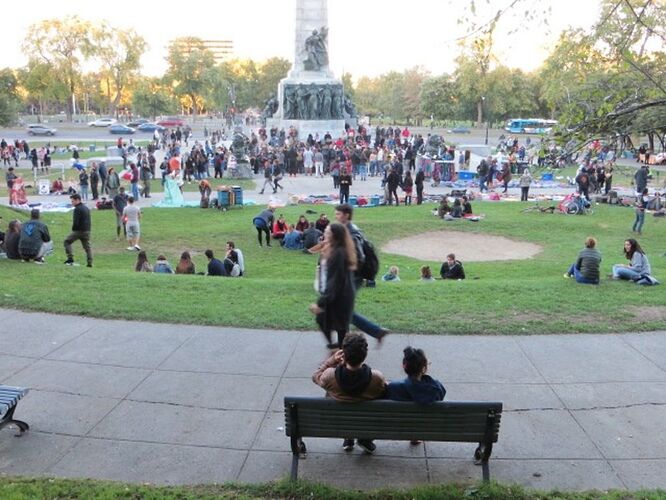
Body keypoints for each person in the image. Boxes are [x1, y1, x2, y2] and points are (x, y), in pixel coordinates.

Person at [312, 333, 386, 454]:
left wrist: (331, 361)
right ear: (365, 355)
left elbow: (315, 376)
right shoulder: (376, 378)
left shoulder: (330, 375)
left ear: (344, 354)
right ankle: (365, 438)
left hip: (339, 422)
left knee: (331, 393)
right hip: (366, 423)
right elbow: (385, 390)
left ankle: (348, 437)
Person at [332, 204, 388, 342]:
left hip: (352, 277)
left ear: (346, 215)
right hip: (349, 277)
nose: (336, 216)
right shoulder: (346, 230)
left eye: (338, 214)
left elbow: (359, 257)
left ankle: (345, 346)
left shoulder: (352, 233)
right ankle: (375, 332)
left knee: (342, 310)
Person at [310, 223, 357, 348]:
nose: (324, 233)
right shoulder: (330, 248)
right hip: (333, 293)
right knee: (327, 321)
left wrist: (320, 302)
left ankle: (342, 353)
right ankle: (337, 347)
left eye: (327, 231)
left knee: (339, 326)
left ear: (334, 235)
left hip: (340, 295)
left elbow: (335, 281)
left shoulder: (339, 253)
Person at [64, 193, 93, 267]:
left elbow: (76, 222)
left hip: (79, 231)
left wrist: (74, 229)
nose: (72, 203)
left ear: (77, 200)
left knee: (67, 241)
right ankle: (90, 263)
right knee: (87, 247)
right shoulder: (86, 208)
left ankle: (70, 258)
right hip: (87, 230)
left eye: (73, 201)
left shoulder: (77, 209)